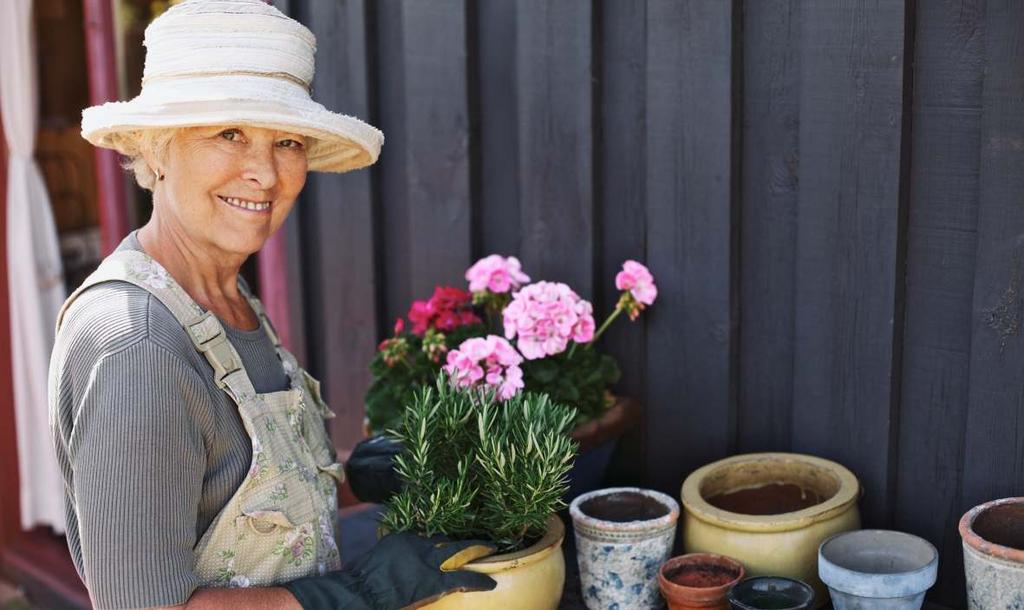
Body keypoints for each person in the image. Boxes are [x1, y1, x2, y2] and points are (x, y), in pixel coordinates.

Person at [48, 1, 494, 608]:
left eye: (286, 141)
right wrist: (353, 593)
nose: (264, 172)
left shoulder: (222, 298)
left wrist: (357, 477)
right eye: (229, 132)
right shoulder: (137, 345)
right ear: (156, 150)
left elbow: (238, 502)